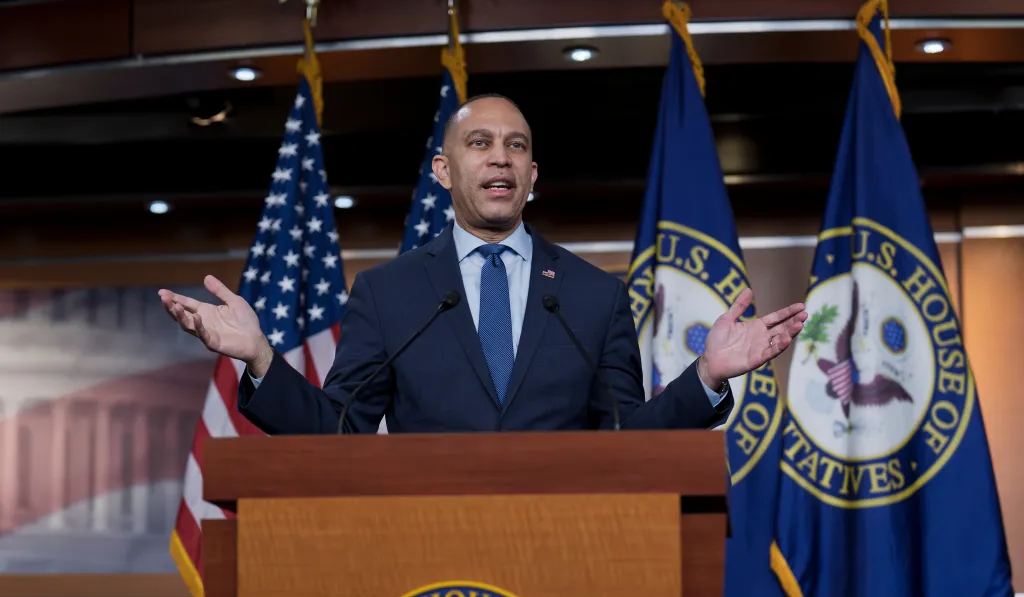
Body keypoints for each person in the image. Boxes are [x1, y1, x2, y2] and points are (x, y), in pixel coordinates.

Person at [158, 94, 806, 435]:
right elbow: (340, 429)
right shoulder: (388, 294)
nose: (500, 157)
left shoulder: (594, 296)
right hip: (424, 551)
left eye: (515, 146)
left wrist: (707, 376)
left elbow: (626, 435)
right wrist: (261, 358)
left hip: (570, 546)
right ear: (443, 172)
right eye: (480, 143)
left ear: (532, 176)